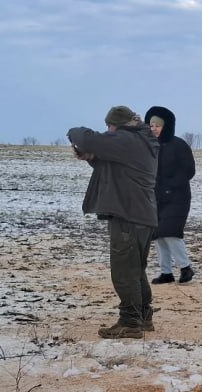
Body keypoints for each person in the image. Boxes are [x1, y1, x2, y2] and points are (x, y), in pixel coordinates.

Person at [68, 106, 159, 339]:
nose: (108, 130)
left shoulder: (127, 139)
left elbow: (86, 138)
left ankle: (130, 322)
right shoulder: (141, 141)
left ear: (116, 125)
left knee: (124, 271)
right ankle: (143, 315)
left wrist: (73, 133)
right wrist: (92, 157)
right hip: (142, 215)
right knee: (135, 269)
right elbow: (118, 167)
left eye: (109, 126)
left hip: (128, 215)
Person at [143, 106, 197, 285]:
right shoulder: (149, 146)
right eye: (151, 126)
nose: (154, 129)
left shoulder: (178, 145)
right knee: (158, 235)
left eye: (158, 126)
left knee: (171, 233)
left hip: (177, 198)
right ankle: (166, 272)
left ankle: (185, 267)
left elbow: (188, 170)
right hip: (155, 197)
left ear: (166, 126)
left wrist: (170, 186)